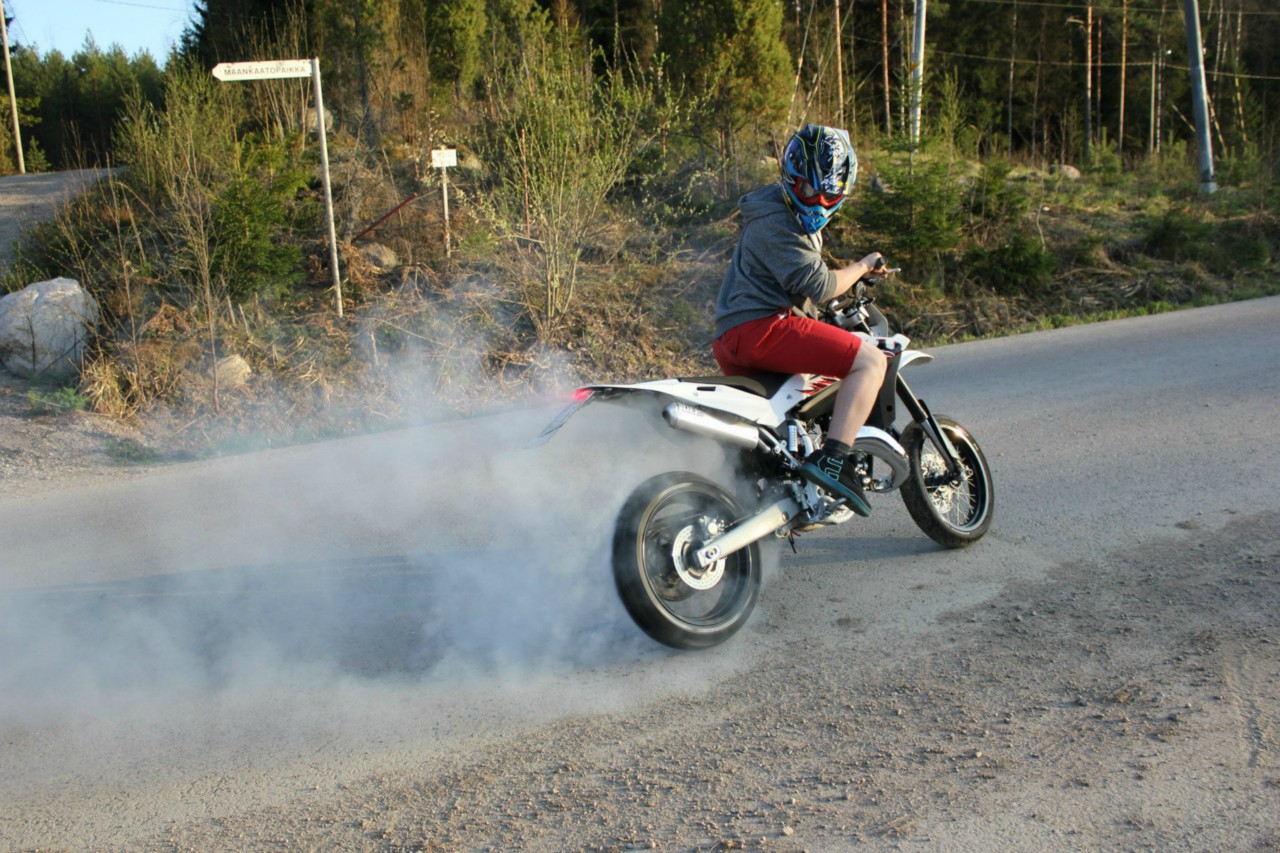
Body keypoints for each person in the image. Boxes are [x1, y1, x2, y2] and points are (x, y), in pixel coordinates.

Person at [711, 124, 888, 517]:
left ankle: (767, 488)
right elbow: (821, 285)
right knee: (870, 362)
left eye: (829, 194)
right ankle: (834, 462)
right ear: (790, 178)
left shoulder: (772, 211)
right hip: (762, 329)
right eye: (808, 190)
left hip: (737, 337)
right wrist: (862, 266)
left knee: (795, 403)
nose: (818, 202)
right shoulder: (775, 219)